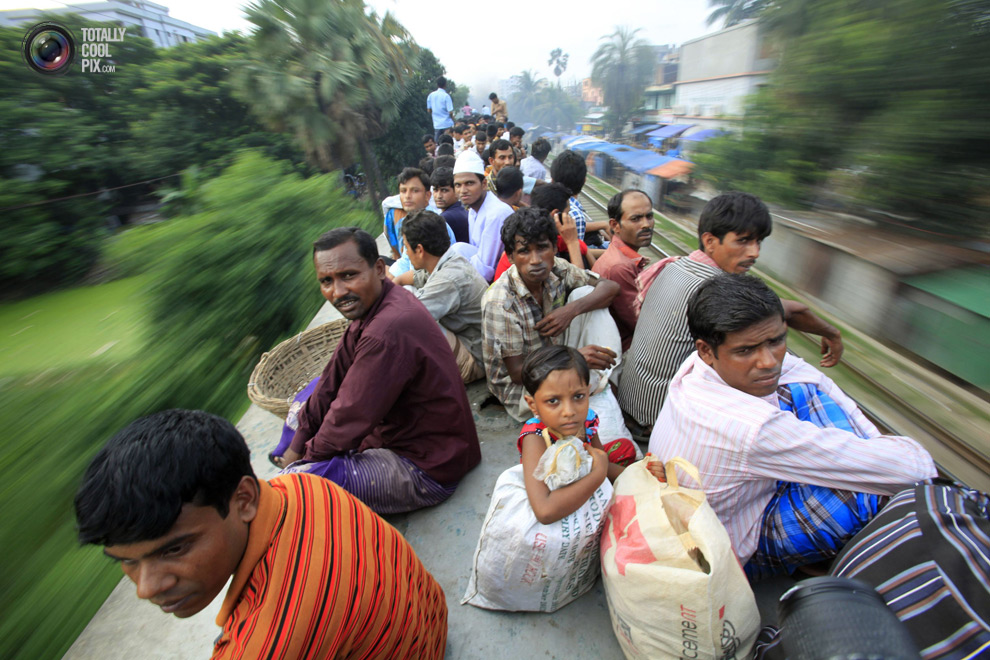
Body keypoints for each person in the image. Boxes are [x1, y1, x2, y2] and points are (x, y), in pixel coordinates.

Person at [74, 409, 448, 659]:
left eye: (174, 550)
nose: (146, 588)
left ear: (244, 499)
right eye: (126, 562)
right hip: (428, 624)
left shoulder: (267, 643)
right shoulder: (303, 487)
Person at [649, 273, 935, 579]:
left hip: (707, 515)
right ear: (706, 350)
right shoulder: (753, 429)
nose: (769, 361)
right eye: (746, 351)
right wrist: (878, 445)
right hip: (731, 553)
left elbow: (799, 368)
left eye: (776, 341)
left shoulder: (697, 365)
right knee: (871, 494)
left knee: (797, 388)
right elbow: (914, 470)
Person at [271, 228, 481, 514]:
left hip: (427, 466)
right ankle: (289, 456)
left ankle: (290, 463)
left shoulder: (386, 330)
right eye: (326, 281)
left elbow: (349, 415)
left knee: (299, 486)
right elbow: (332, 378)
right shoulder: (375, 306)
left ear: (379, 269)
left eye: (348, 275)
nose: (338, 292)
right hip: (406, 435)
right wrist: (298, 447)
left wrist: (305, 461)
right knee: (311, 393)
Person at [618, 191, 845, 439]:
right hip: (656, 417)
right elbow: (793, 311)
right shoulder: (714, 289)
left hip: (632, 397)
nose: (754, 252)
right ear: (710, 241)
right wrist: (832, 333)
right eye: (743, 241)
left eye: (758, 242)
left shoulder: (674, 265)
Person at [481, 206, 621, 421]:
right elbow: (518, 374)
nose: (536, 259)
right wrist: (574, 359)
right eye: (524, 251)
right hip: (524, 388)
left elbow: (610, 287)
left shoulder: (557, 268)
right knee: (591, 407)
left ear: (554, 248)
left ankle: (605, 383)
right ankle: (598, 390)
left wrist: (570, 310)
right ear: (511, 257)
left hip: (554, 354)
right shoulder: (501, 302)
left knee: (586, 293)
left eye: (542, 248)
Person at [517, 346, 637, 524]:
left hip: (587, 477)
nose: (569, 411)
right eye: (553, 401)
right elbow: (544, 511)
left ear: (588, 392)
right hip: (557, 500)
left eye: (578, 396)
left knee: (625, 449)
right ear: (533, 405)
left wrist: (642, 476)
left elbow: (601, 459)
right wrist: (597, 475)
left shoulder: (586, 421)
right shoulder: (535, 437)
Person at [394, 210, 488, 383]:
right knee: (406, 294)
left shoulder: (447, 280)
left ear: (419, 250)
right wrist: (396, 281)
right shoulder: (450, 261)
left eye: (406, 247)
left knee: (409, 324)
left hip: (475, 359)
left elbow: (407, 320)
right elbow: (413, 278)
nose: (406, 253)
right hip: (472, 343)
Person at [591, 189, 655, 353]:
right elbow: (642, 324)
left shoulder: (620, 257)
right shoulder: (620, 267)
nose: (646, 224)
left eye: (649, 216)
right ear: (615, 225)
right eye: (636, 219)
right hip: (626, 352)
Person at [453, 149, 514, 282]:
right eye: (458, 185)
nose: (463, 190)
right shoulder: (473, 210)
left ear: (484, 184)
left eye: (469, 183)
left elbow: (485, 271)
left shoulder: (496, 213)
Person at [550, 150, 609, 246]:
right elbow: (576, 251)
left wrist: (600, 225)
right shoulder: (577, 216)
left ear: (552, 180)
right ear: (584, 181)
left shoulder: (545, 196)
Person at [431, 166, 470, 243]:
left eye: (444, 190)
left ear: (456, 191)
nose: (438, 196)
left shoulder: (446, 218)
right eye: (435, 190)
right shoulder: (462, 210)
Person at [426, 76, 454, 142]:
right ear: (445, 84)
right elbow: (450, 112)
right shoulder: (446, 96)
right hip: (447, 124)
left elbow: (429, 110)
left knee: (438, 143)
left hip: (437, 125)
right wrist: (453, 120)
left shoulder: (431, 95)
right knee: (448, 143)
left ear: (437, 84)